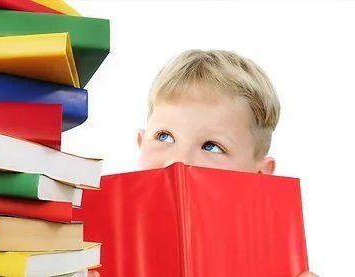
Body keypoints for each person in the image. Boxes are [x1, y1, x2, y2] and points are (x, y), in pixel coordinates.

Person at [89, 50, 317, 277]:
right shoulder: (99, 244)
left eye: (212, 146)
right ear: (140, 142)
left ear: (259, 174)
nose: (179, 161)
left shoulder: (274, 261)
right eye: (164, 136)